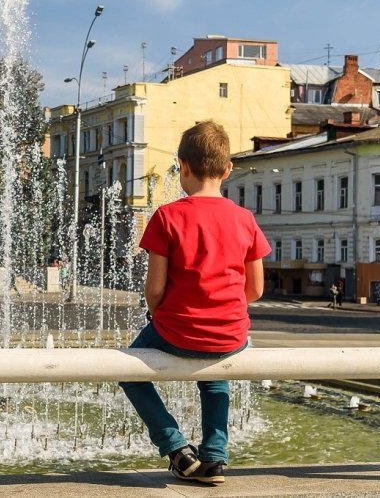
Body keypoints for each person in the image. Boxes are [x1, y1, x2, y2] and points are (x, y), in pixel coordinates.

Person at [118, 121, 268, 486]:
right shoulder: (245, 219)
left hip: (177, 330)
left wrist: (162, 316)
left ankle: (176, 448)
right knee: (216, 377)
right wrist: (224, 311)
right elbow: (256, 289)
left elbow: (154, 290)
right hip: (231, 335)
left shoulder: (167, 217)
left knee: (127, 371)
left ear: (182, 166)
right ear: (228, 169)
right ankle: (215, 456)